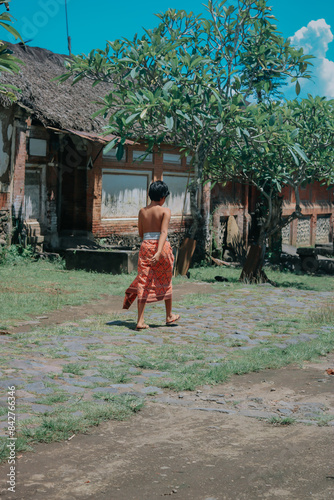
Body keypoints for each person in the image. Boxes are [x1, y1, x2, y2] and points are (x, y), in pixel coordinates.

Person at [123, 180, 180, 330]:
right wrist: (159, 251)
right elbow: (163, 232)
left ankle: (140, 321)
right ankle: (169, 316)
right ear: (162, 197)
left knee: (143, 281)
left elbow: (141, 233)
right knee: (166, 280)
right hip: (162, 248)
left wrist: (150, 247)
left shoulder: (142, 211)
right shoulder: (165, 211)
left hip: (146, 246)